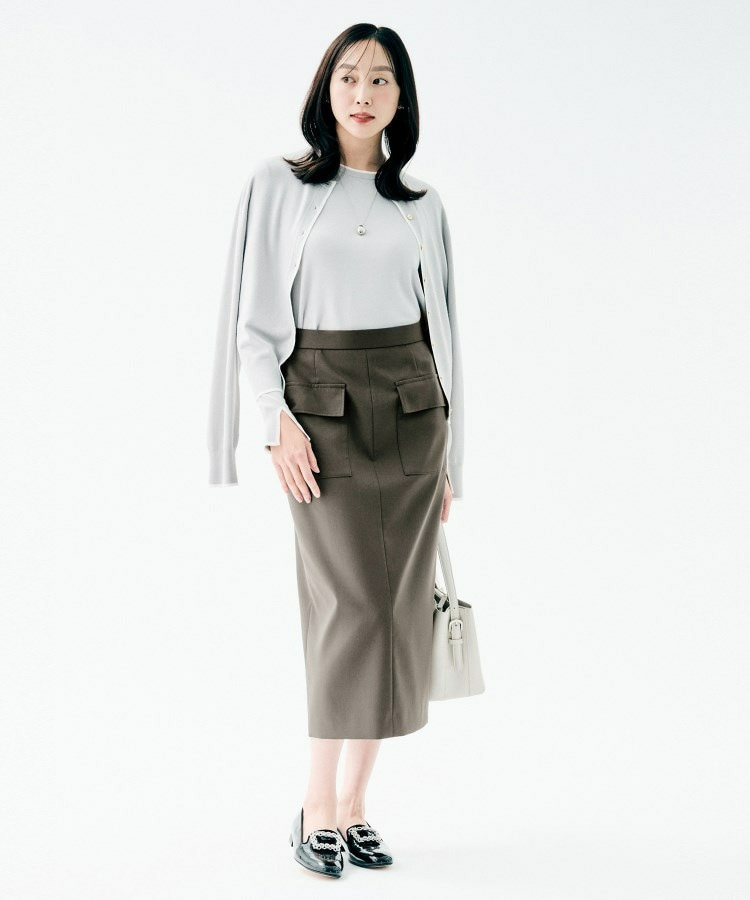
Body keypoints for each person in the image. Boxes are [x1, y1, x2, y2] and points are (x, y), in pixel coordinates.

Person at [207, 23, 465, 878]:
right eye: (349, 76)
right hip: (321, 407)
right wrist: (273, 420)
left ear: (402, 99)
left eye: (382, 80)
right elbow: (253, 323)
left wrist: (455, 459)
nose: (363, 93)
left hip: (414, 408)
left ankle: (354, 808)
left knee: (395, 612)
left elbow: (447, 336)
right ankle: (315, 806)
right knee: (349, 609)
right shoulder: (278, 185)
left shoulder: (420, 202)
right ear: (326, 88)